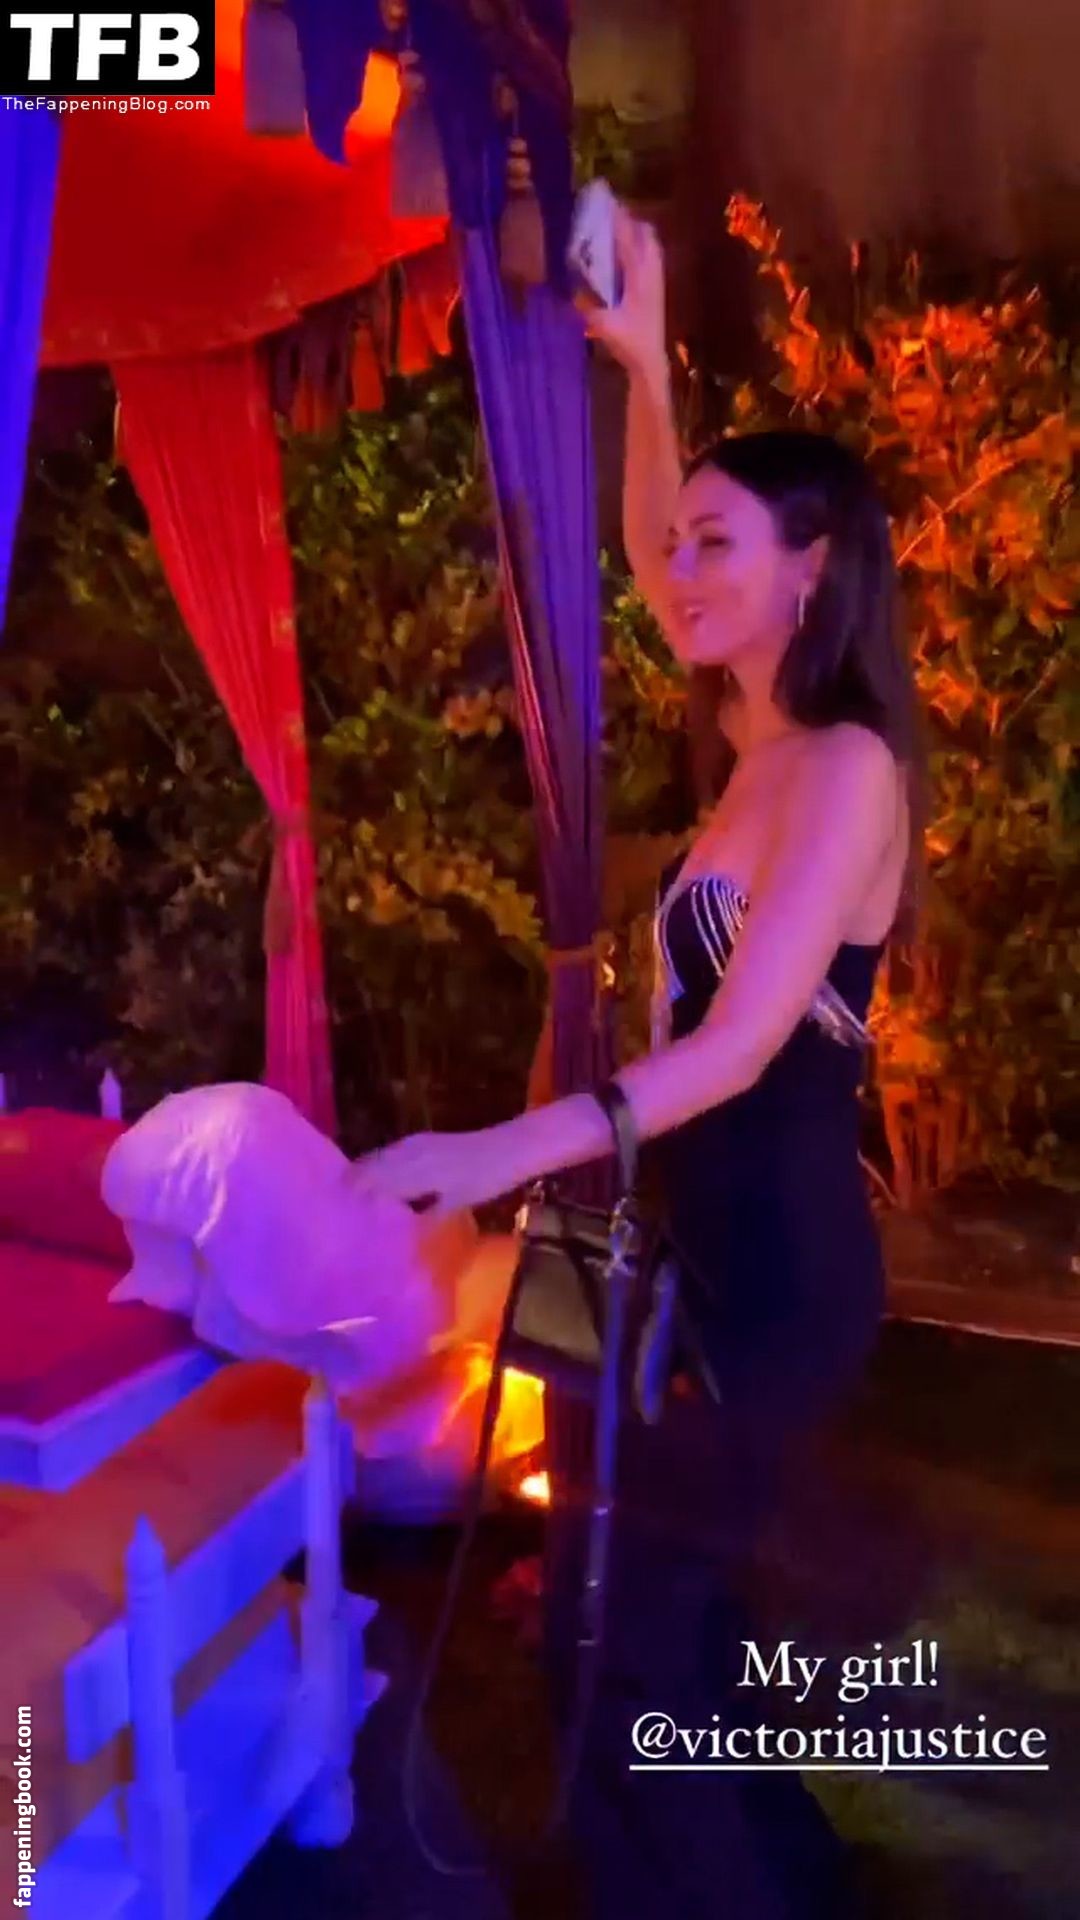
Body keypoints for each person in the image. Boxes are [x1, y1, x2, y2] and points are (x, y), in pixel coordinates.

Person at [353, 209, 923, 1916]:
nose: (677, 571)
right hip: (696, 1250)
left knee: (639, 1653)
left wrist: (492, 1151)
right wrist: (646, 359)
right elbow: (652, 531)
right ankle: (785, 1883)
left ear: (814, 567)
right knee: (670, 1634)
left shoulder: (844, 772)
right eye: (681, 548)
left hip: (781, 1277)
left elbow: (739, 1049)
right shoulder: (751, 734)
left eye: (718, 548)